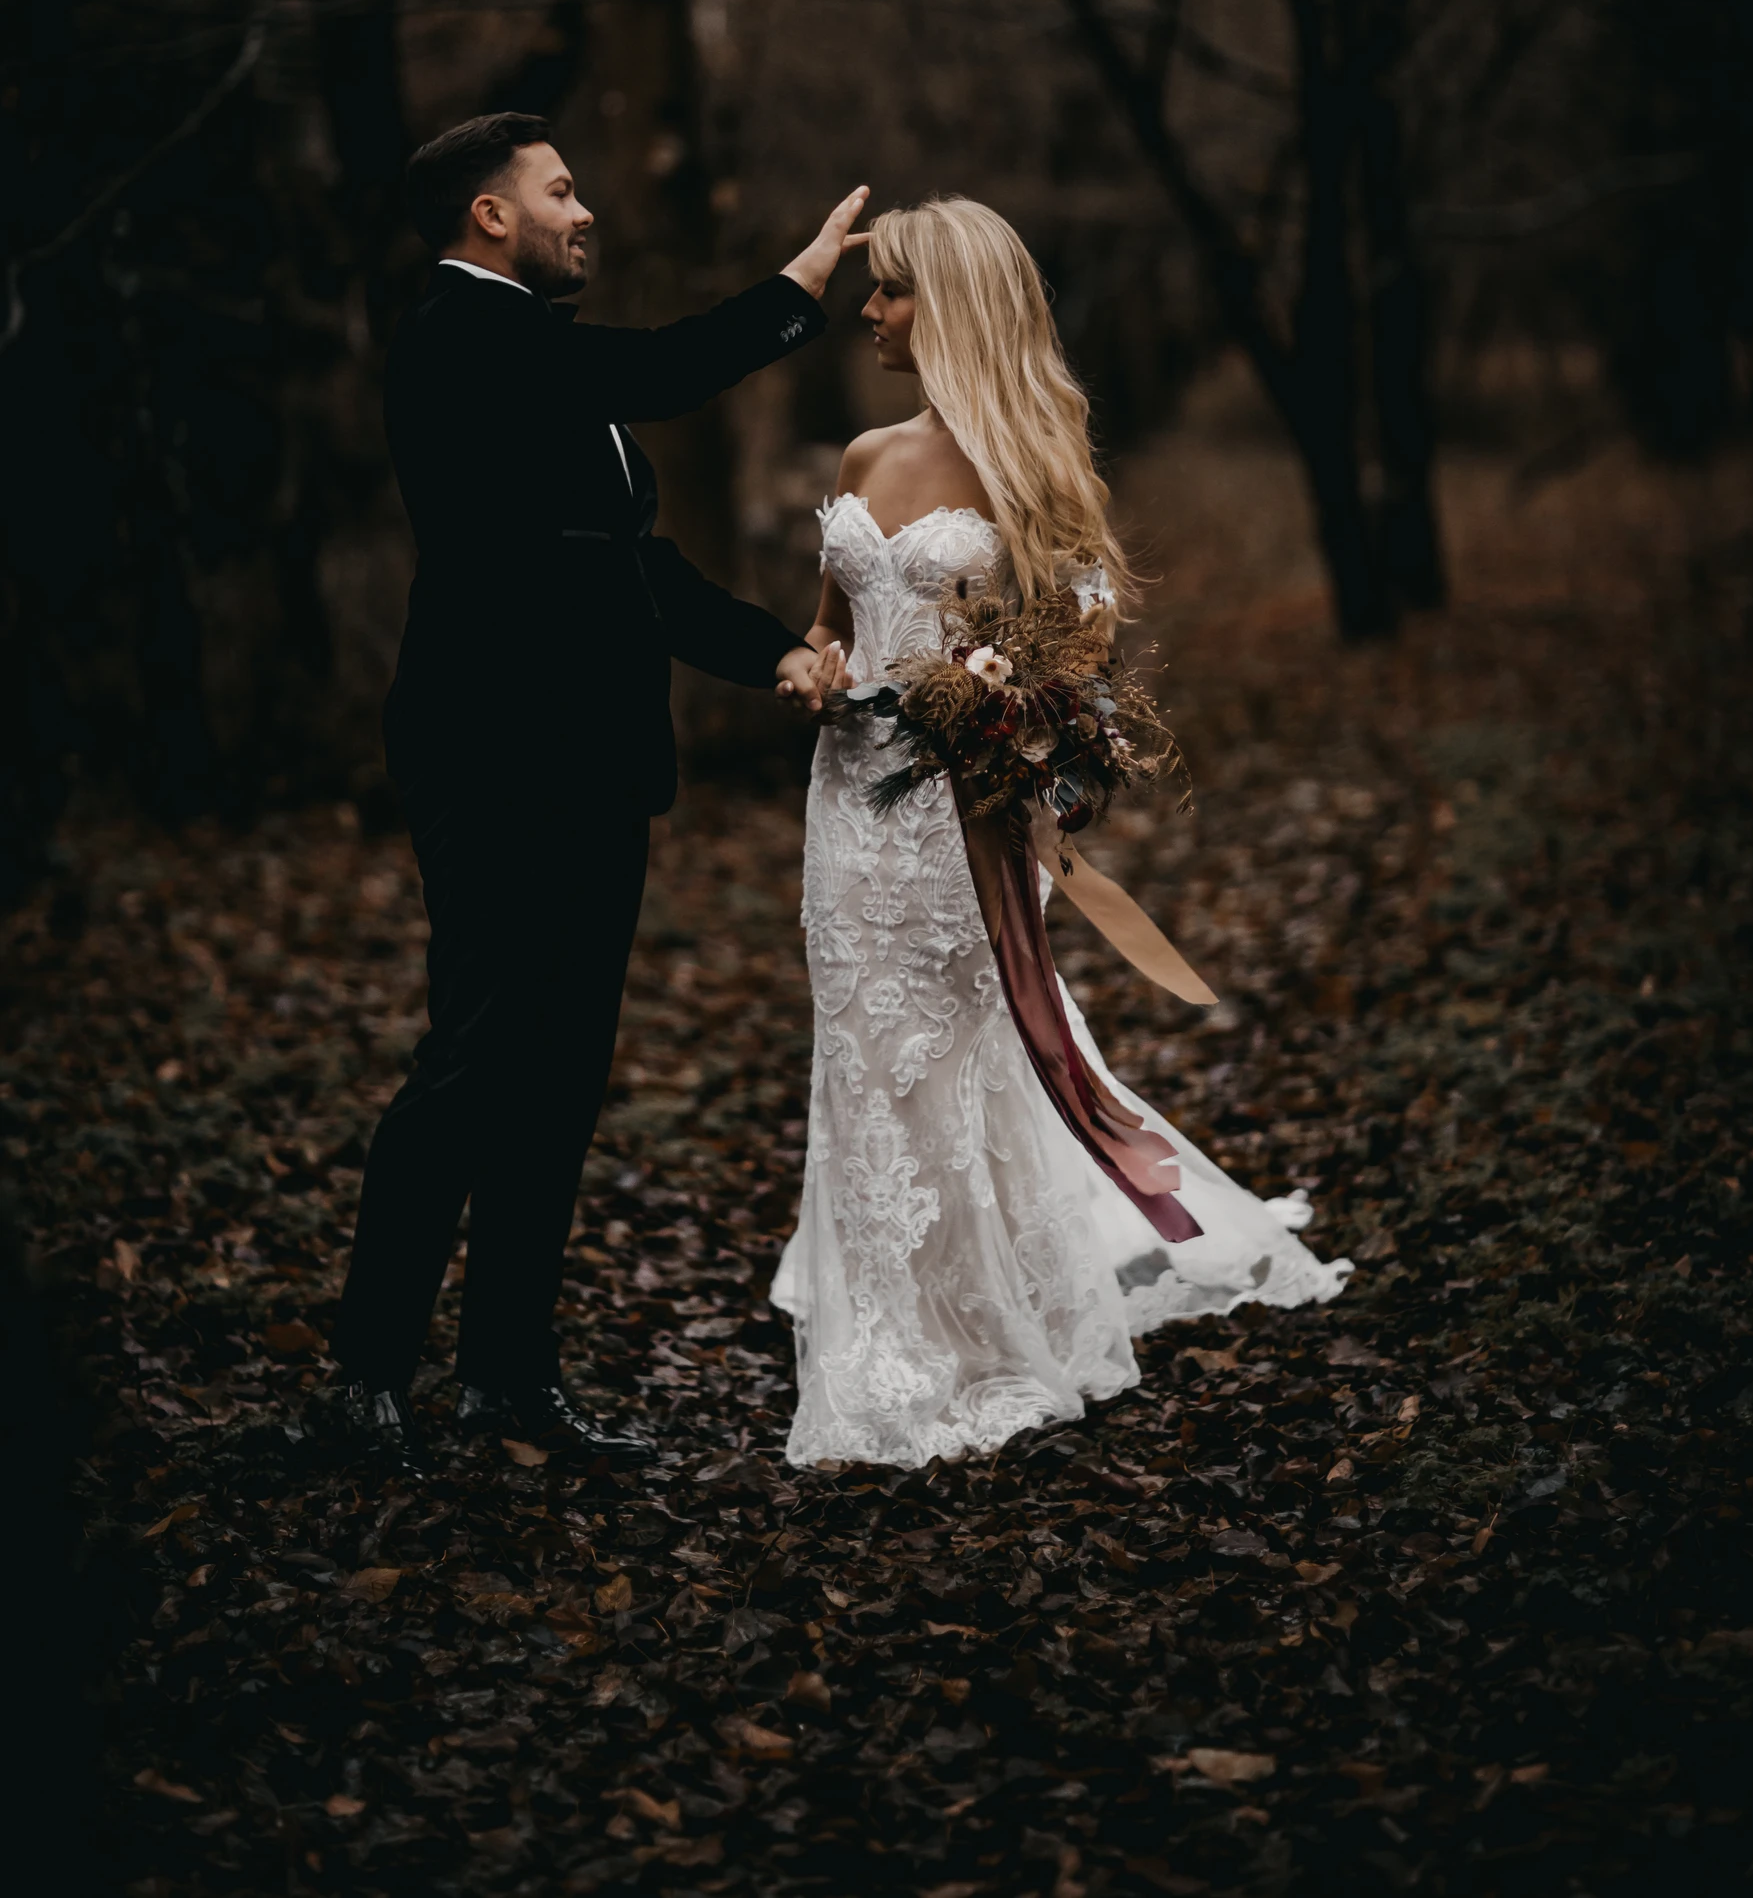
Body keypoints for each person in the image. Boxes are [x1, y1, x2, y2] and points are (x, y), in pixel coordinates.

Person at [772, 197, 1351, 1468]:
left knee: (963, 1059)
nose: (867, 312)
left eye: (891, 291)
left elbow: (1073, 673)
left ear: (957, 304)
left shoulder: (1034, 474)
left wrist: (1003, 717)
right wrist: (812, 666)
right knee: (866, 1065)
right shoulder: (864, 454)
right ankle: (888, 1336)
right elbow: (827, 623)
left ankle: (991, 1325)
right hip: (847, 817)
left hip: (954, 823)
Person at [330, 113, 866, 1474]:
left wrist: (781, 653)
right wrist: (800, 292)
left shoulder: (557, 386)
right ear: (487, 218)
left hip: (594, 768)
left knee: (559, 1077)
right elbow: (675, 366)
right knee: (472, 1059)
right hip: (491, 758)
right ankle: (365, 1376)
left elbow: (640, 574)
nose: (588, 213)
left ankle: (507, 1377)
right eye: (560, 190)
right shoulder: (461, 333)